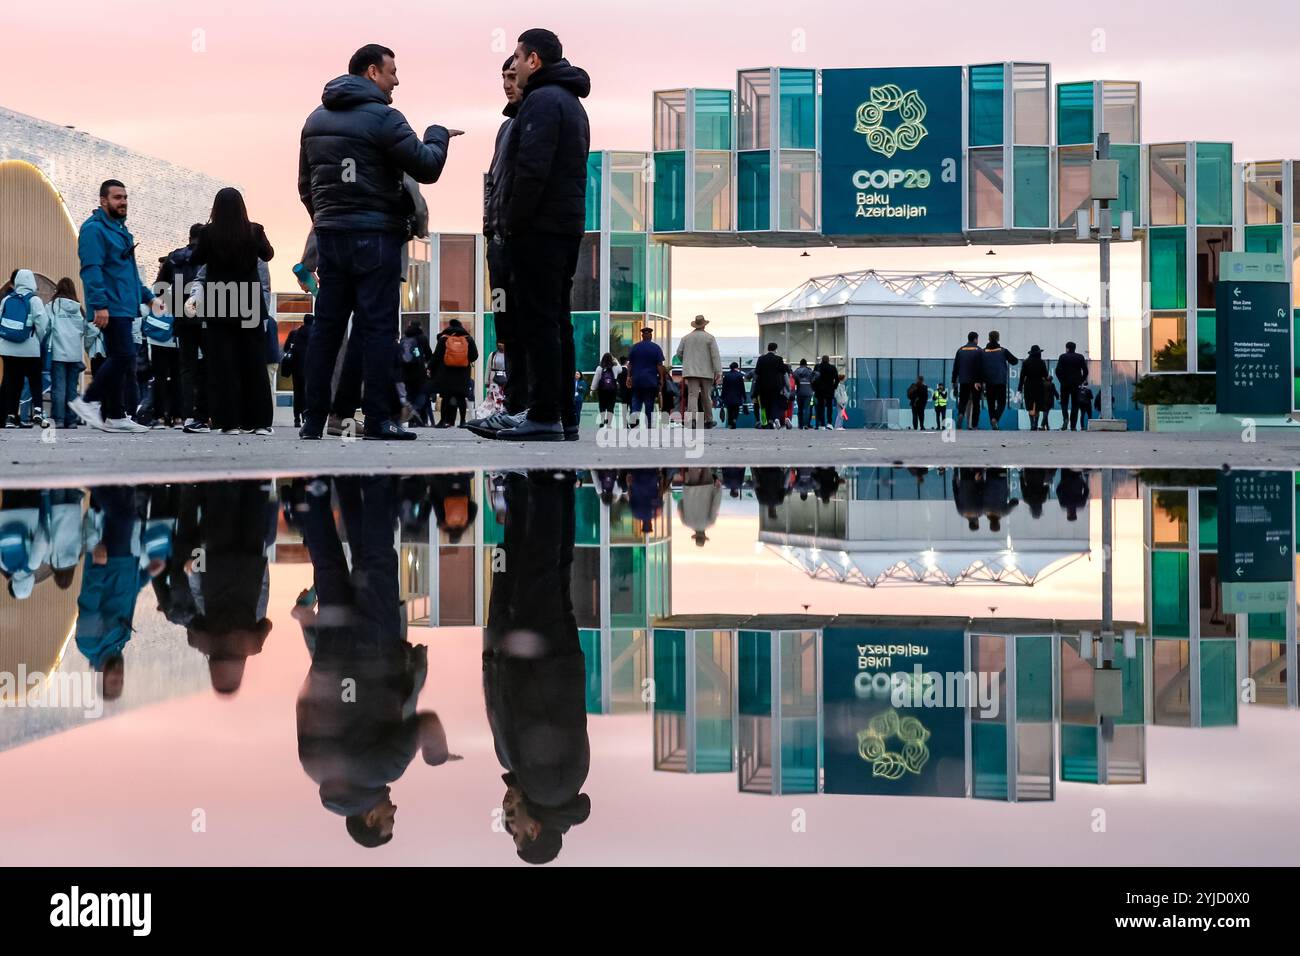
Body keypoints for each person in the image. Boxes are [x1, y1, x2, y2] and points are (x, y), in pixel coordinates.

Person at [298, 43, 457, 441]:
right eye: (392, 71)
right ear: (372, 72)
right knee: (378, 329)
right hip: (377, 238)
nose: (397, 80)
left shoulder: (314, 120)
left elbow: (306, 185)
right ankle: (377, 420)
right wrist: (437, 134)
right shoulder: (385, 119)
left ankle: (314, 421)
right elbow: (427, 165)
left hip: (333, 238)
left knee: (327, 329)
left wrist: (327, 219)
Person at [296, 475, 456, 847]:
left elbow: (427, 724)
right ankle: (314, 489)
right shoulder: (314, 768)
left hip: (376, 651)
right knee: (329, 567)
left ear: (368, 817)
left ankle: (377, 482)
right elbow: (305, 705)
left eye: (387, 822)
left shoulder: (383, 770)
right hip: (332, 654)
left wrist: (437, 755)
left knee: (378, 561)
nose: (394, 813)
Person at [489, 29, 591, 442]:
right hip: (564, 227)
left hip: (539, 230)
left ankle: (543, 413)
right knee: (557, 321)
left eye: (517, 56)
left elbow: (531, 171)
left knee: (539, 323)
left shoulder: (542, 102)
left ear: (534, 60)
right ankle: (561, 414)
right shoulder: (569, 102)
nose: (512, 64)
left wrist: (513, 224)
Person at [484, 472, 590, 863]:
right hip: (536, 653)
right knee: (542, 567)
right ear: (534, 830)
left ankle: (551, 486)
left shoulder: (546, 784)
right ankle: (545, 484)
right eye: (515, 829)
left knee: (550, 568)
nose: (507, 818)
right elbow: (527, 713)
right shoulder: (548, 787)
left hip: (547, 654)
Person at [71, 180, 157, 433]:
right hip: (111, 305)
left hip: (124, 305)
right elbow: (91, 269)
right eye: (117, 197)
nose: (123, 202)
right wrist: (99, 305)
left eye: (125, 197)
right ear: (103, 200)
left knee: (121, 359)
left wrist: (148, 297)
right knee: (124, 357)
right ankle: (87, 401)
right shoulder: (94, 230)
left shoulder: (120, 230)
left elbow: (128, 273)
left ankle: (117, 416)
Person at [188, 187, 275, 435]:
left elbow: (196, 259)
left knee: (222, 366)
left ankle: (228, 422)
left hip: (219, 302)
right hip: (248, 302)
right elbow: (268, 254)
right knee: (254, 363)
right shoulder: (255, 230)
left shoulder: (207, 233)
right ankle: (259, 422)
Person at [470, 57, 525, 432]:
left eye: (512, 75)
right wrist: (490, 228)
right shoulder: (506, 127)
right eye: (502, 77)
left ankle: (524, 406)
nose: (507, 83)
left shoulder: (532, 118)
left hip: (519, 237)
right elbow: (494, 180)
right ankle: (512, 404)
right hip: (500, 238)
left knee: (526, 324)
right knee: (507, 326)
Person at [157, 224, 208, 432]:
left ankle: (186, 416)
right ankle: (206, 414)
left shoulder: (173, 258)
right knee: (209, 365)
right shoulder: (208, 256)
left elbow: (159, 287)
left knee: (186, 368)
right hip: (206, 317)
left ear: (189, 237)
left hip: (182, 319)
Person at [1, 269, 51, 428]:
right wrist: (39, 340)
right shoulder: (34, 300)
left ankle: (10, 417)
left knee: (12, 382)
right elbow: (42, 325)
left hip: (7, 349)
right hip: (30, 349)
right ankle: (37, 411)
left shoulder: (7, 299)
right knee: (35, 380)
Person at [673, 314, 722, 429]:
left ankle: (693, 420)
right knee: (706, 396)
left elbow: (679, 353)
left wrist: (686, 361)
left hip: (691, 371)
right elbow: (715, 356)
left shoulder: (686, 338)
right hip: (706, 372)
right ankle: (709, 420)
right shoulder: (710, 338)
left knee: (692, 396)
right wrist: (718, 371)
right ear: (704, 325)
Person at [431, 317, 478, 427]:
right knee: (461, 397)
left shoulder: (444, 338)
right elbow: (474, 355)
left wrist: (430, 368)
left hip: (446, 372)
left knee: (446, 397)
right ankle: (462, 421)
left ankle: (442, 421)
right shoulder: (468, 338)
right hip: (463, 373)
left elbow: (436, 355)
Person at [626, 327, 664, 428]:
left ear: (642, 336)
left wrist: (628, 376)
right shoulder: (656, 348)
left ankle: (634, 419)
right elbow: (659, 365)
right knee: (649, 402)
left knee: (636, 400)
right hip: (650, 380)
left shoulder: (635, 347)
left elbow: (630, 364)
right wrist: (661, 378)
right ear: (651, 336)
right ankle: (649, 423)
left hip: (637, 379)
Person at [279, 313, 313, 428]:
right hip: (309, 369)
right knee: (307, 392)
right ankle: (306, 417)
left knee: (297, 393)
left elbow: (286, 349)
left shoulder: (294, 333)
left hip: (296, 369)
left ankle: (296, 419)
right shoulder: (314, 334)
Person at [980, 330, 1018, 430]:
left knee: (991, 404)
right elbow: (1015, 361)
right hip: (1000, 381)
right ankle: (995, 419)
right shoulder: (1003, 351)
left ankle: (992, 419)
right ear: (998, 338)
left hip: (988, 381)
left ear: (988, 338)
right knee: (1002, 403)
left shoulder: (983, 352)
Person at [398, 319, 432, 425]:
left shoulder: (404, 338)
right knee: (422, 393)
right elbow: (429, 354)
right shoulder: (422, 338)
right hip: (419, 371)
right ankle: (415, 411)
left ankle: (411, 420)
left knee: (410, 394)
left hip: (405, 372)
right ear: (420, 327)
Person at [951, 331, 984, 430]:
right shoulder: (979, 350)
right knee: (976, 403)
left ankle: (961, 414)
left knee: (963, 401)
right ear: (975, 339)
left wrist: (954, 380)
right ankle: (974, 424)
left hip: (963, 380)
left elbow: (956, 367)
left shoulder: (960, 350)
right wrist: (979, 381)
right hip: (975, 382)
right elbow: (980, 367)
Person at [1055, 340, 1088, 431]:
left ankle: (1065, 418)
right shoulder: (1080, 357)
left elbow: (1057, 371)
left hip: (1065, 384)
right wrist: (1080, 381)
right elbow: (1085, 371)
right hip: (1076, 384)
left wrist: (1062, 380)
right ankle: (1073, 425)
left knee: (1064, 403)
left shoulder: (1062, 357)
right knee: (1075, 405)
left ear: (1067, 348)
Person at [753, 342, 786, 429]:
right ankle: (774, 419)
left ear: (768, 349)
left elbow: (757, 372)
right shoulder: (779, 359)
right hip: (775, 386)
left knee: (763, 405)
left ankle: (764, 423)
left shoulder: (761, 359)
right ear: (776, 349)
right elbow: (783, 370)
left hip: (763, 386)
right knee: (774, 403)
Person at [1020, 345, 1050, 431]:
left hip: (1028, 386)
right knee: (1038, 405)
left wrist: (1019, 388)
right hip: (1039, 385)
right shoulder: (1041, 362)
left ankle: (1032, 423)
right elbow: (1045, 375)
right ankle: (1036, 423)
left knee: (1030, 405)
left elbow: (1022, 376)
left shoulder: (1025, 362)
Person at [592, 352, 619, 427]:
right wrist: (616, 360)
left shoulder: (600, 368)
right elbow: (621, 370)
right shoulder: (615, 367)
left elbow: (596, 379)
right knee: (611, 406)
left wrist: (593, 389)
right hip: (612, 390)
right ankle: (609, 423)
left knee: (602, 406)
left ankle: (602, 420)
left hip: (602, 390)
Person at [812, 355, 837, 430]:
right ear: (828, 360)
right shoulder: (832, 368)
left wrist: (814, 388)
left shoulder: (817, 367)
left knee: (820, 407)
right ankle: (829, 423)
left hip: (819, 390)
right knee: (829, 407)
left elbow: (814, 378)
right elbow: (837, 379)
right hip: (829, 390)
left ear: (822, 360)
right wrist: (834, 387)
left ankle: (822, 424)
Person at [720, 362, 746, 428]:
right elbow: (742, 387)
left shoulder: (726, 375)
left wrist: (722, 397)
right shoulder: (740, 375)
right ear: (737, 367)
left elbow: (724, 387)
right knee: (736, 409)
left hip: (728, 396)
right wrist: (744, 396)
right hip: (737, 396)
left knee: (730, 410)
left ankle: (730, 423)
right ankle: (734, 419)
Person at [792, 358, 816, 429]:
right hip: (808, 392)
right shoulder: (809, 371)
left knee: (800, 409)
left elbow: (794, 378)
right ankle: (806, 424)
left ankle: (800, 425)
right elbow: (814, 379)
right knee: (807, 408)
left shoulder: (797, 371)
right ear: (806, 364)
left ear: (800, 364)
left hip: (799, 392)